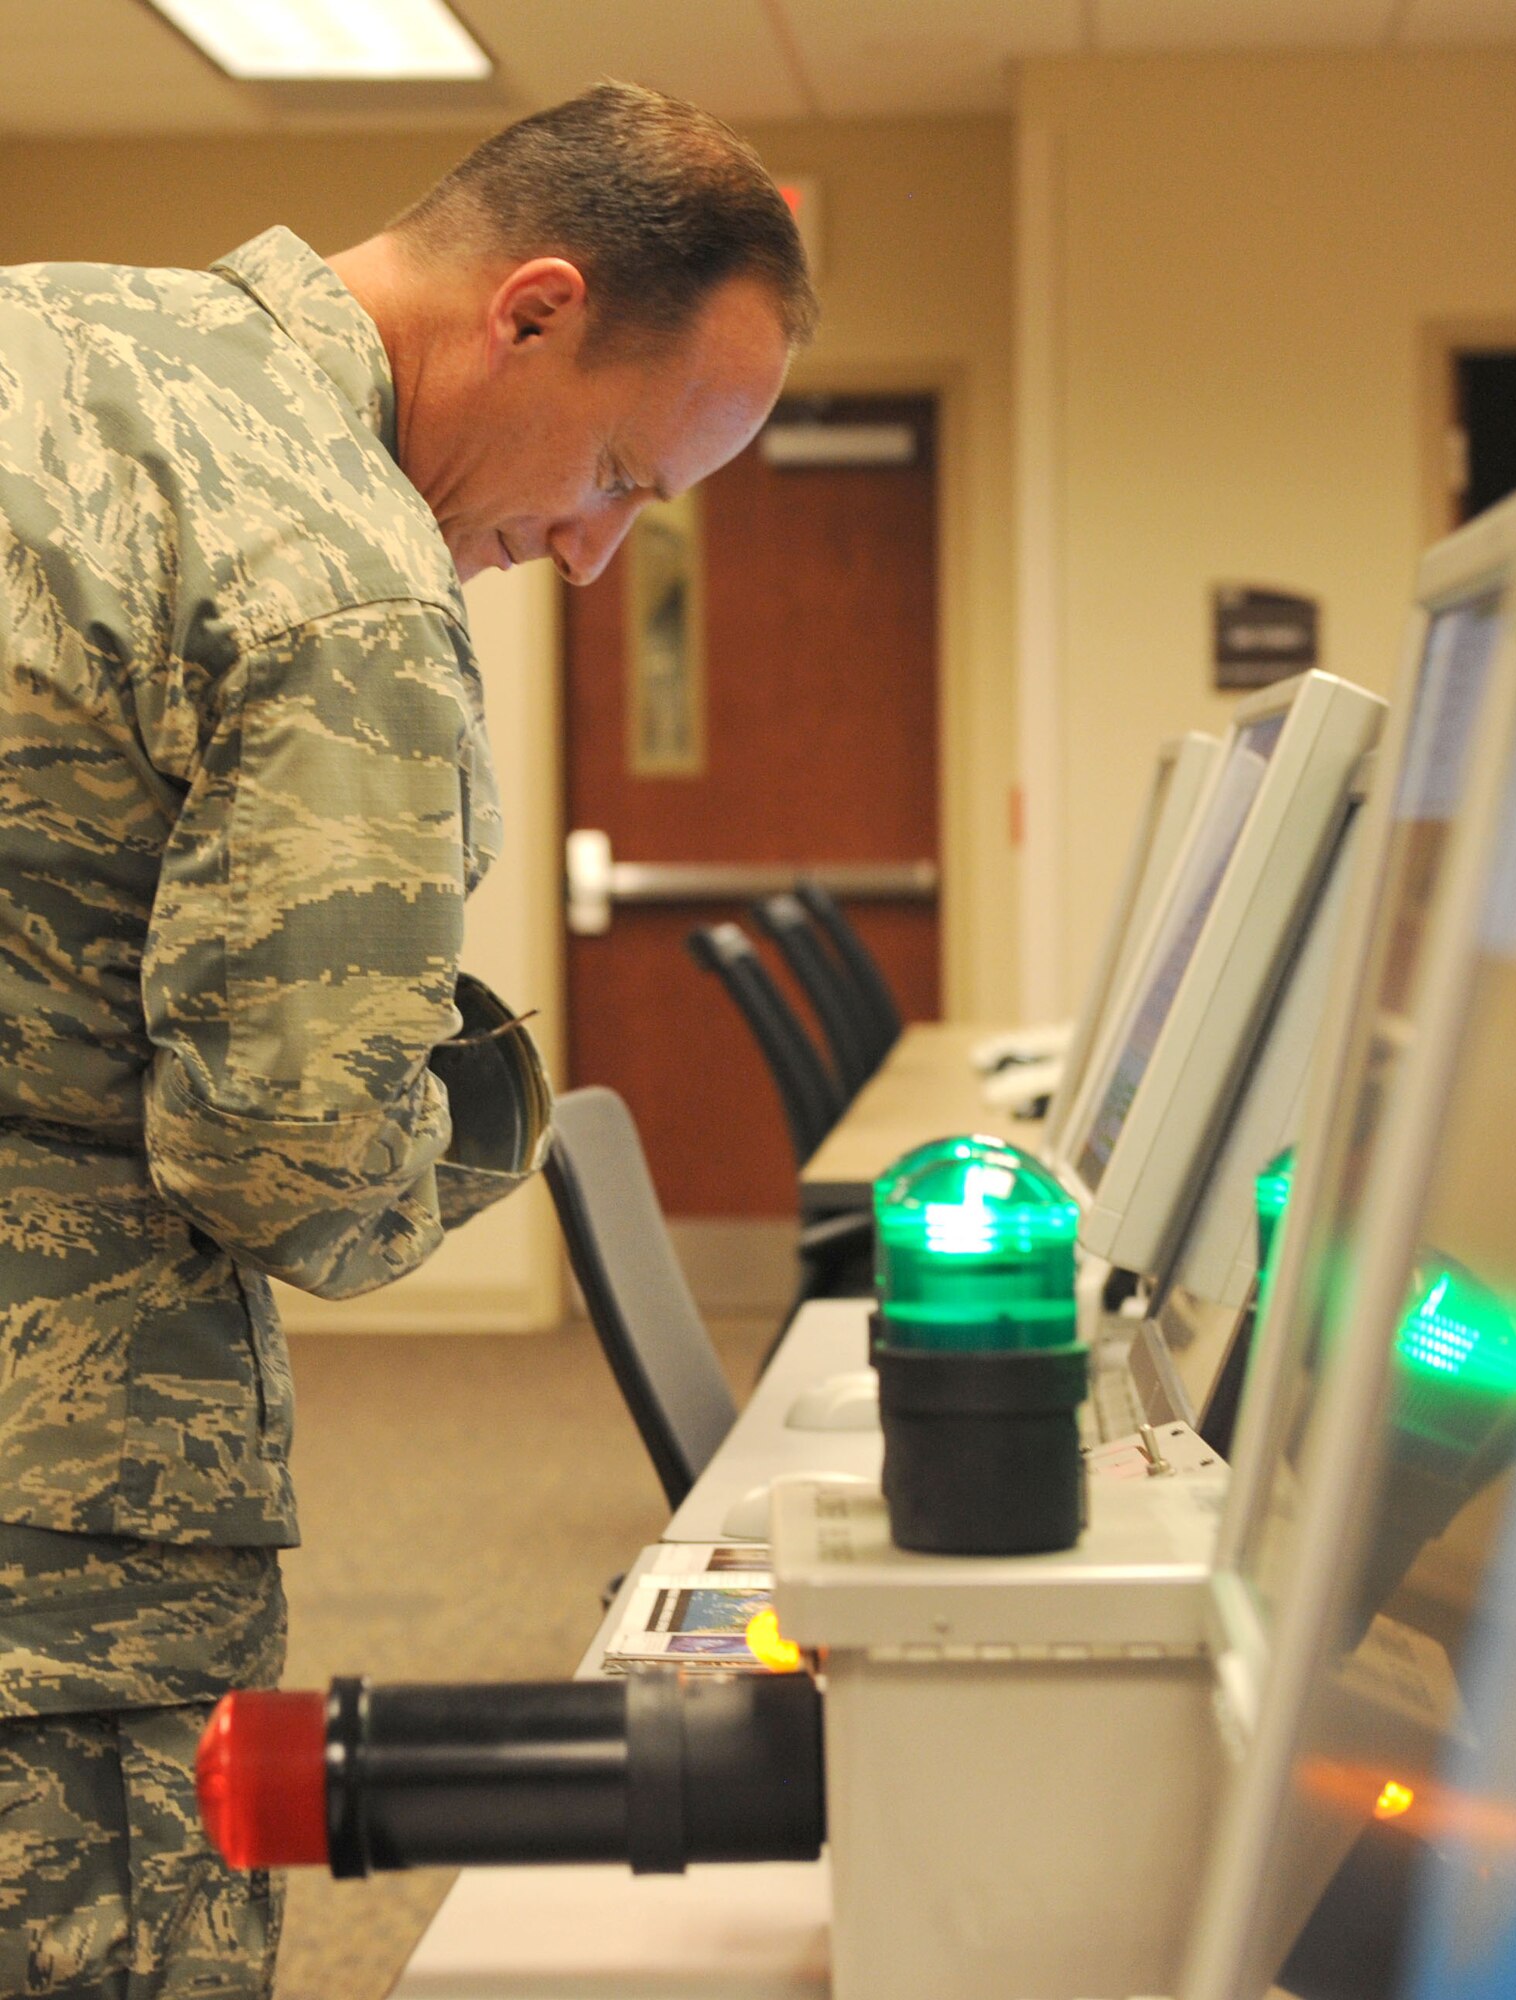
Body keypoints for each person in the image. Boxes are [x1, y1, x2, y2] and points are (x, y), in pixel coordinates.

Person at [0, 81, 816, 1996]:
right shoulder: (343, 576)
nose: (599, 553)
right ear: (529, 309)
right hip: (53, 1521)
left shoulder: (45, 327)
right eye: (620, 472)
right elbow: (289, 1163)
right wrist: (475, 1093)